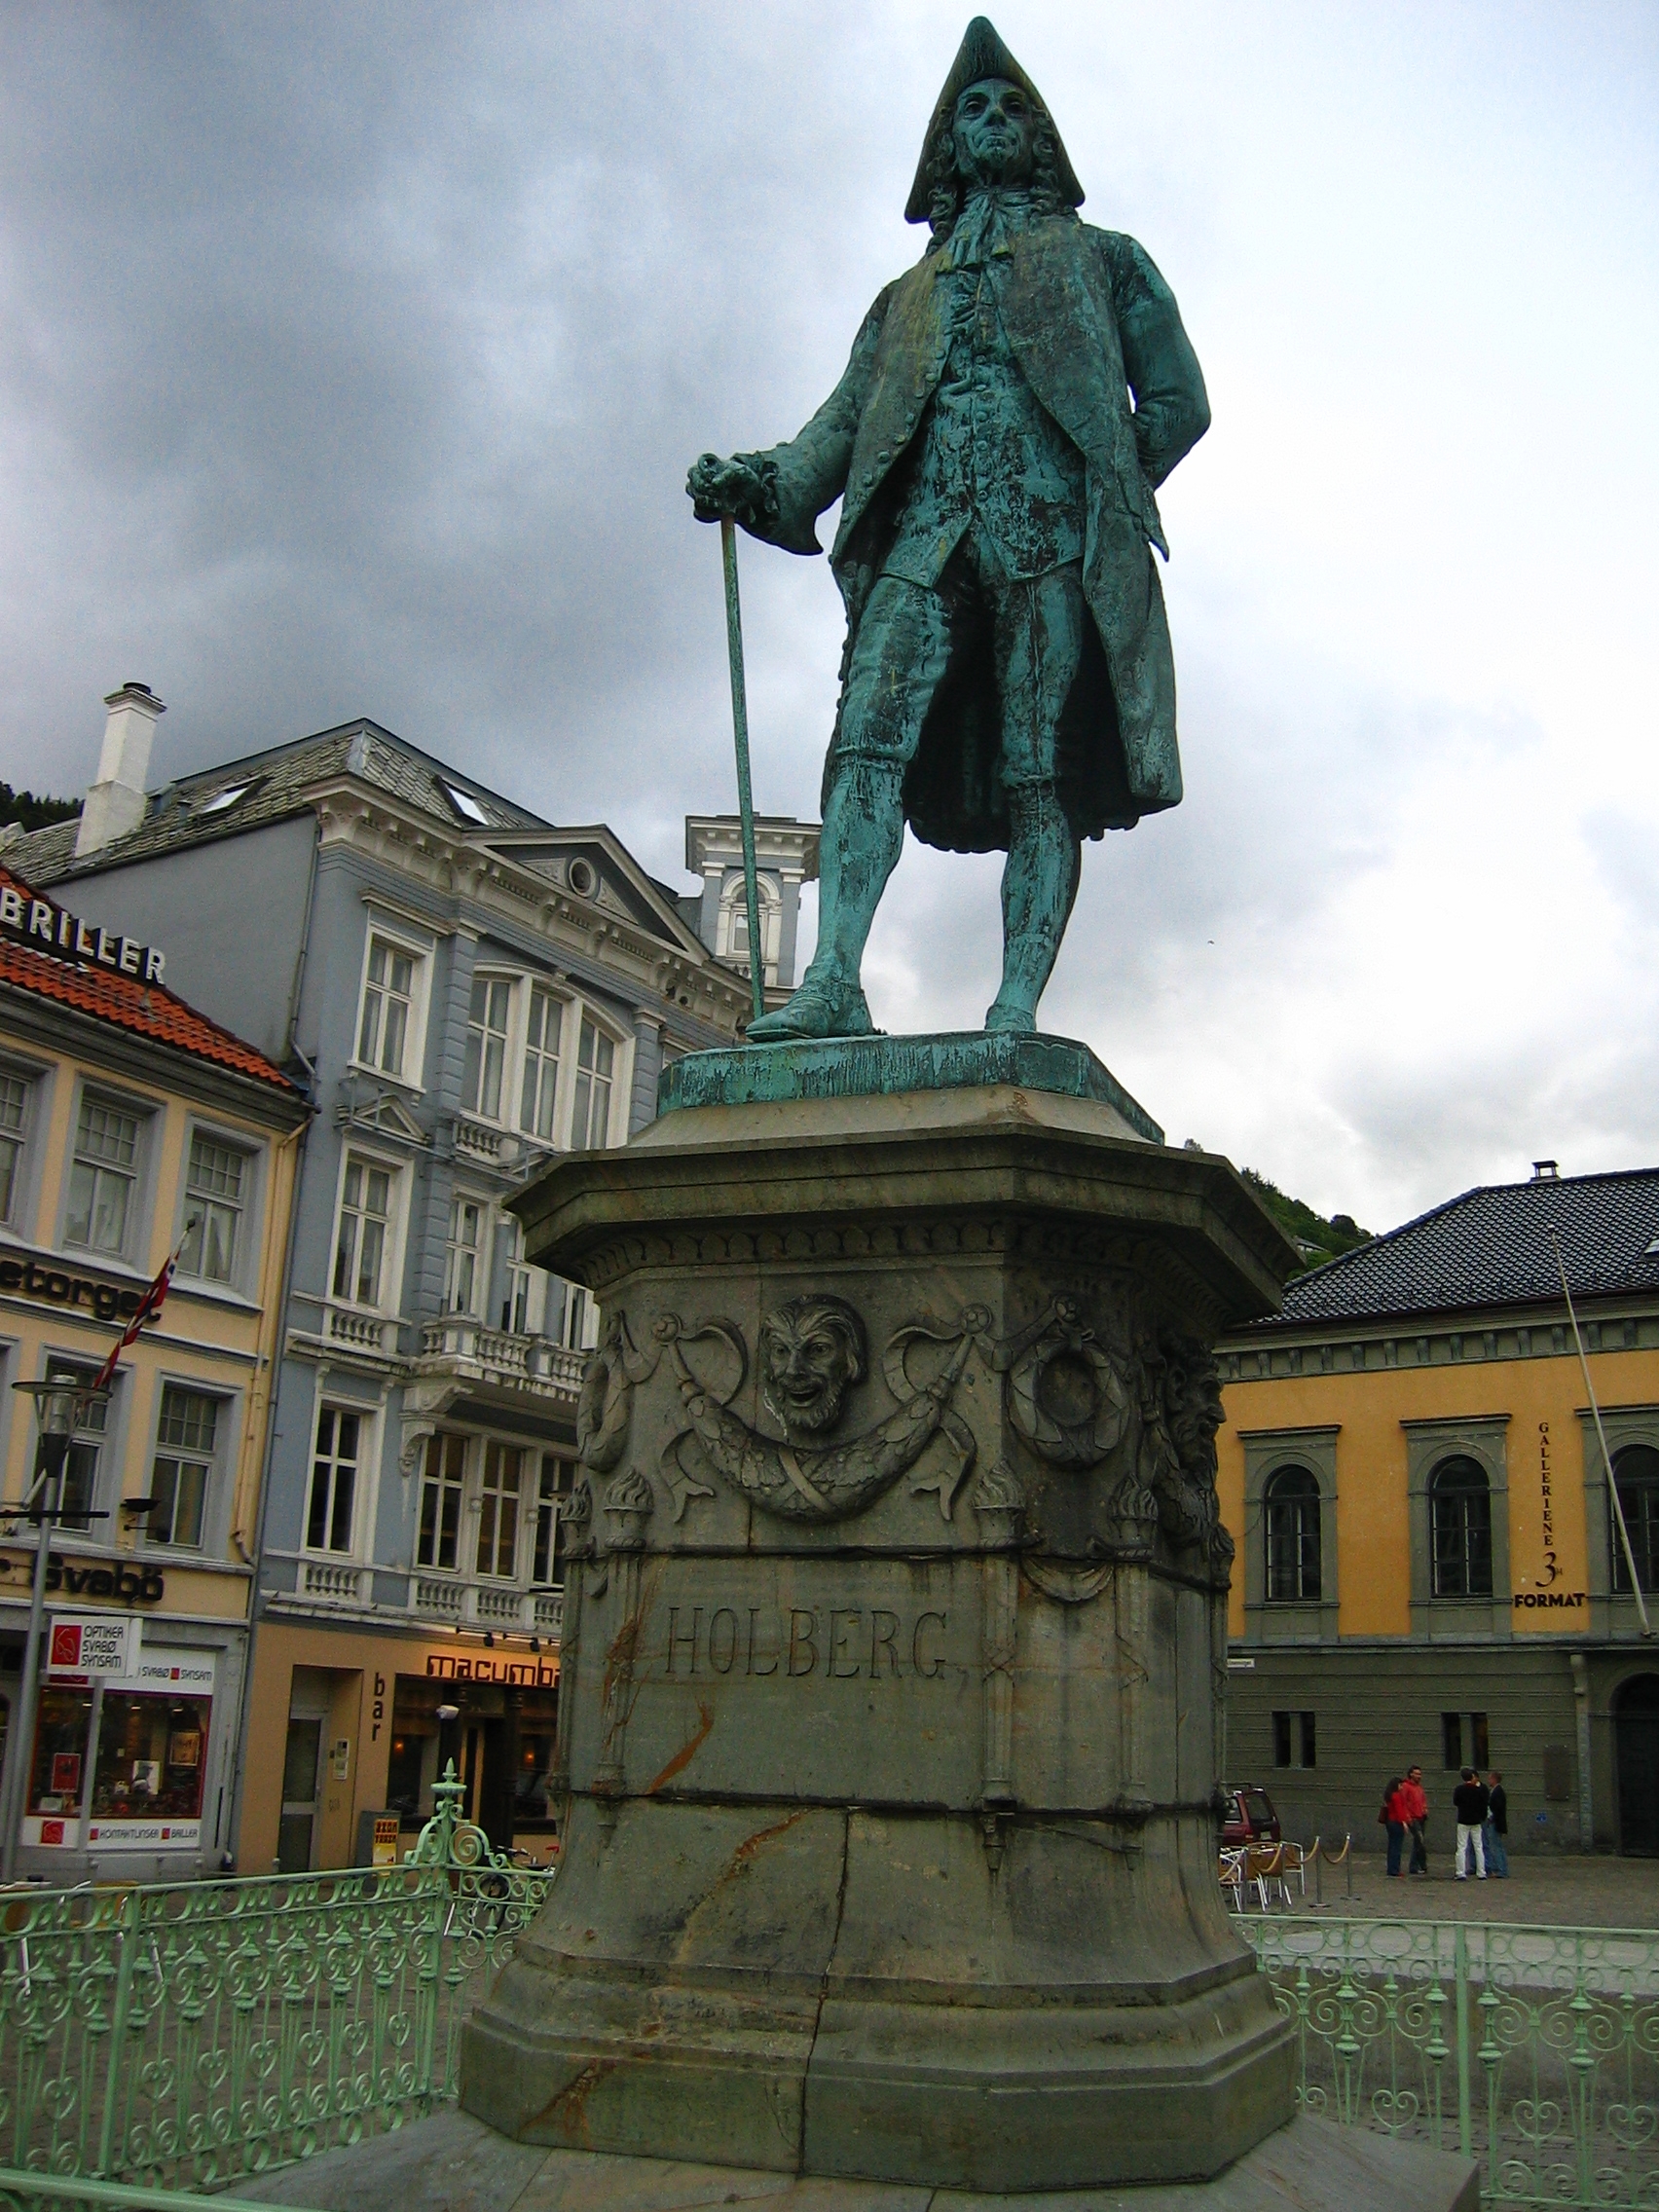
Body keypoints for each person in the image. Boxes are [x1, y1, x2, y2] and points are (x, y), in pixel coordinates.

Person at [688, 18, 1209, 1042]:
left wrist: (1107, 488)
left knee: (1040, 773)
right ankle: (833, 983)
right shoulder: (904, 300)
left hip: (1051, 546)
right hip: (925, 542)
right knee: (863, 741)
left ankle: (1014, 1007)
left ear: (1044, 142)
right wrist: (762, 479)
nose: (994, 118)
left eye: (1014, 107)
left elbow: (1179, 402)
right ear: (946, 146)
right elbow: (841, 426)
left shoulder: (1108, 261)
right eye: (974, 108)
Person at [1453, 1769, 1490, 1879]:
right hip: (1476, 1821)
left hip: (1463, 1820)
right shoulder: (1478, 1790)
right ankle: (1481, 1872)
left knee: (1461, 1847)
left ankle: (1460, 1872)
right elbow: (1483, 1804)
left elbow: (1456, 1802)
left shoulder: (1459, 1789)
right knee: (1478, 1847)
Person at [1398, 1763, 1430, 1874]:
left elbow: (1423, 1800)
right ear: (1411, 1774)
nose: (1419, 1776)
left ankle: (1416, 1865)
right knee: (1419, 1840)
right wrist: (1407, 1817)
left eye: (1420, 1774)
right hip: (1413, 1817)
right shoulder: (1406, 1786)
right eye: (1416, 1774)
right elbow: (1403, 1802)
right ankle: (1419, 1865)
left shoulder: (1419, 1787)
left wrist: (1425, 1808)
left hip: (1421, 1816)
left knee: (1418, 1842)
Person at [1380, 1775, 1408, 1877]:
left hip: (1390, 1822)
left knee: (1392, 1846)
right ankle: (1395, 1869)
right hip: (1396, 1822)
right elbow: (1399, 1810)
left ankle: (1391, 1868)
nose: (1402, 1787)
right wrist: (1404, 1823)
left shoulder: (1389, 1795)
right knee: (1397, 1847)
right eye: (1400, 1785)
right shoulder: (1396, 1796)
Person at [1484, 1771, 1509, 1877]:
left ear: (1494, 1779)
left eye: (1490, 1779)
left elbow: (1498, 1808)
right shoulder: (1496, 1790)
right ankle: (1499, 1868)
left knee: (1496, 1846)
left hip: (1496, 1822)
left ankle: (1501, 1870)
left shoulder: (1498, 1791)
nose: (1489, 1781)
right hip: (1495, 1821)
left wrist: (1491, 1818)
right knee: (1496, 1846)